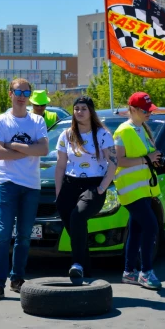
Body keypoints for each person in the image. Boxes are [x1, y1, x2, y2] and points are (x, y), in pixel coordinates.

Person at [0, 78, 49, 302]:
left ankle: (17, 278)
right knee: (2, 235)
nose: (22, 95)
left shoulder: (37, 120)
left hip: (31, 185)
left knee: (23, 236)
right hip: (8, 183)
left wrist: (15, 146)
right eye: (18, 91)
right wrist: (29, 150)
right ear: (10, 94)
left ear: (29, 95)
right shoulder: (1, 121)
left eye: (26, 91)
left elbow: (44, 149)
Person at [54, 96, 117, 281]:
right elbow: (60, 166)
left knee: (78, 216)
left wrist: (102, 187)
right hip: (69, 184)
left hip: (93, 184)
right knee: (75, 229)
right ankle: (85, 270)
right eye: (76, 109)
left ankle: (77, 264)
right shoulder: (66, 135)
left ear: (91, 111)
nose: (79, 112)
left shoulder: (102, 134)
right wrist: (59, 192)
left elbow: (113, 162)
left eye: (83, 108)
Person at [113, 92, 163, 290]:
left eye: (150, 110)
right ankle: (146, 271)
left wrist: (154, 158)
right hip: (130, 189)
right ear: (132, 110)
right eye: (145, 111)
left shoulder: (142, 128)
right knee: (151, 226)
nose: (149, 114)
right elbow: (119, 161)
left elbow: (146, 156)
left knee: (136, 229)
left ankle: (129, 271)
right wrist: (147, 159)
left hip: (144, 188)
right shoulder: (123, 131)